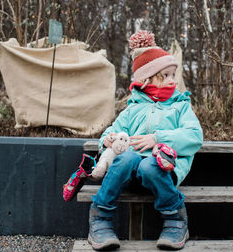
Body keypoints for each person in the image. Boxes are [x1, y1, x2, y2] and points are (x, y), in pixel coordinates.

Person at [87, 30, 203, 251]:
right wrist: (108, 141)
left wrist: (158, 138)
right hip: (129, 174)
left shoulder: (180, 106)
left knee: (150, 164)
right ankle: (100, 216)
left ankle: (175, 218)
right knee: (127, 158)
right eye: (165, 75)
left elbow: (194, 136)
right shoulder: (133, 109)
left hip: (162, 171)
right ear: (146, 78)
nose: (172, 81)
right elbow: (110, 132)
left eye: (173, 75)